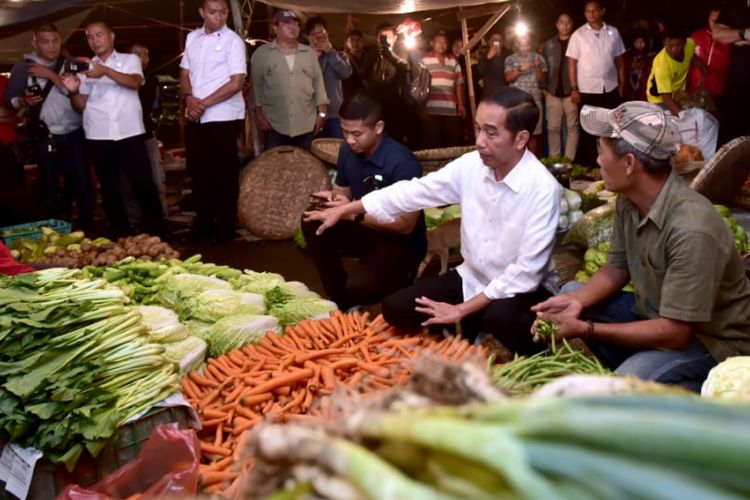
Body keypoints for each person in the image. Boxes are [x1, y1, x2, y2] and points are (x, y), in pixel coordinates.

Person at [305, 87, 561, 354]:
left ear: (521, 139)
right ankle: (469, 324)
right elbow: (415, 191)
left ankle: (494, 330)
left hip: (521, 291)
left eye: (491, 132)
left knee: (499, 316)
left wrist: (462, 308)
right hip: (471, 278)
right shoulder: (471, 165)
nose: (480, 141)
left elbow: (526, 273)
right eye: (478, 128)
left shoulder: (542, 189)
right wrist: (349, 208)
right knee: (396, 308)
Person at [532, 101, 750, 391]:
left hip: (711, 339)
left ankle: (687, 387)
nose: (597, 160)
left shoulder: (692, 229)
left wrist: (587, 329)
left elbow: (675, 334)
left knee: (622, 387)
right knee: (572, 292)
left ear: (630, 163)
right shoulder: (629, 199)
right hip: (658, 312)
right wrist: (576, 303)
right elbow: (616, 268)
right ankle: (646, 361)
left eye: (601, 150)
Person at [300, 90, 426, 311]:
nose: (350, 140)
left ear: (378, 128)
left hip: (399, 242)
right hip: (367, 229)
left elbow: (406, 226)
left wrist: (351, 214)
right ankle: (339, 299)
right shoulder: (347, 150)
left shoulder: (403, 162)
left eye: (357, 133)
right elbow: (343, 194)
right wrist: (333, 201)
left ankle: (402, 278)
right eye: (345, 132)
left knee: (361, 289)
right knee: (312, 219)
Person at [62, 21, 166, 238]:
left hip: (130, 132)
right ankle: (121, 234)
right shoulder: (84, 70)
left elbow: (134, 83)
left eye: (99, 35)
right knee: (109, 187)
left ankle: (158, 231)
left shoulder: (130, 60)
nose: (95, 40)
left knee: (143, 183)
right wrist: (72, 92)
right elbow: (81, 106)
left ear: (112, 36)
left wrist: (105, 71)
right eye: (90, 37)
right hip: (98, 134)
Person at [4, 23, 94, 230]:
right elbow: (9, 100)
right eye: (45, 41)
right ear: (34, 42)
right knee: (49, 185)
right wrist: (24, 101)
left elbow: (84, 95)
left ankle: (86, 230)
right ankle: (54, 232)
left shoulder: (72, 63)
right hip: (45, 135)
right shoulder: (23, 68)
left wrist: (53, 76)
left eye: (55, 40)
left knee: (82, 183)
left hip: (75, 133)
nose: (51, 46)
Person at [180, 0, 246, 241]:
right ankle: (203, 224)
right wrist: (189, 98)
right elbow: (185, 73)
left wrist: (202, 104)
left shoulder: (233, 41)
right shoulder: (192, 38)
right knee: (199, 173)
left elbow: (236, 83)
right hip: (196, 117)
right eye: (212, 12)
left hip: (223, 116)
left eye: (223, 12)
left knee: (224, 174)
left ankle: (226, 227)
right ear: (201, 12)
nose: (219, 17)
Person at [251, 10, 328, 151]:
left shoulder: (309, 53)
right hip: (274, 124)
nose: (293, 27)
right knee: (276, 167)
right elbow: (256, 87)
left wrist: (322, 114)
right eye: (287, 23)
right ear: (275, 28)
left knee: (306, 167)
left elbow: (319, 86)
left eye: (296, 24)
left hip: (306, 123)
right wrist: (259, 114)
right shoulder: (261, 54)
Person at [567, 0, 625, 168]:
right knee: (587, 129)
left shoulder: (613, 32)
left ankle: (611, 164)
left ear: (602, 11)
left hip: (610, 87)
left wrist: (621, 85)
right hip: (587, 89)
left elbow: (620, 60)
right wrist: (574, 88)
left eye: (594, 10)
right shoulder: (578, 35)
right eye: (588, 11)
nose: (591, 14)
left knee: (611, 128)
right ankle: (586, 166)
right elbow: (571, 63)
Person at [131, 43, 167, 216]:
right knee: (128, 181)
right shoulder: (119, 78)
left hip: (146, 133)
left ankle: (161, 216)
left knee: (156, 178)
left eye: (143, 55)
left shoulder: (151, 80)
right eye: (135, 55)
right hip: (127, 136)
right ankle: (135, 218)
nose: (140, 59)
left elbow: (151, 107)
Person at [305, 16, 352, 139]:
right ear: (308, 37)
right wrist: (312, 57)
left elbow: (346, 73)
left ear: (327, 34)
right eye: (314, 34)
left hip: (334, 114)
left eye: (321, 33)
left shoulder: (339, 55)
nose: (318, 37)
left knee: (338, 151)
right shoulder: (302, 58)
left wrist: (330, 52)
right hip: (311, 115)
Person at [365, 23, 412, 146]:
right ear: (377, 38)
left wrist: (390, 55)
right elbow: (363, 73)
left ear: (395, 38)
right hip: (376, 104)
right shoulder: (372, 53)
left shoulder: (401, 52)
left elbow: (404, 68)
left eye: (388, 37)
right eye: (382, 37)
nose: (385, 40)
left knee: (396, 139)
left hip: (395, 105)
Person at [710, 1, 750, 144]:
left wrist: (735, 36)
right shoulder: (735, 7)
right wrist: (744, 33)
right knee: (731, 145)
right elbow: (718, 33)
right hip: (738, 91)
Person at [420, 30, 466, 148]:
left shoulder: (453, 61)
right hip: (431, 110)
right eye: (438, 42)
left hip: (449, 109)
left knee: (452, 143)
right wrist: (422, 106)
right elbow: (421, 85)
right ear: (432, 43)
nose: (442, 45)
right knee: (433, 143)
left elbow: (458, 83)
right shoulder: (424, 60)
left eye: (444, 42)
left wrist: (461, 104)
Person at [542, 12, 579, 160]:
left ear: (572, 24)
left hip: (571, 92)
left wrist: (577, 89)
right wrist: (543, 89)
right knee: (553, 128)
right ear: (557, 24)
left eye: (568, 22)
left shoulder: (577, 42)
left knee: (572, 127)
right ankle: (554, 160)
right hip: (552, 92)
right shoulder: (549, 44)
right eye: (561, 22)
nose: (565, 25)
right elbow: (543, 66)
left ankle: (569, 161)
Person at [505, 34, 547, 157]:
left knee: (534, 135)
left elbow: (542, 79)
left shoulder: (539, 57)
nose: (525, 47)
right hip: (517, 103)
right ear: (517, 44)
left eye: (527, 44)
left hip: (535, 101)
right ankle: (517, 162)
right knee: (516, 134)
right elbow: (508, 78)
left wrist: (538, 66)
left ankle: (532, 163)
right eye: (522, 44)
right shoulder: (510, 59)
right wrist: (521, 69)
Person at [646, 27, 703, 117]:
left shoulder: (690, 43)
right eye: (669, 45)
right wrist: (683, 119)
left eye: (678, 45)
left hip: (678, 92)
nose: (673, 50)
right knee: (673, 124)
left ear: (684, 43)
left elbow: (690, 55)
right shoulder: (661, 64)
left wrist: (702, 66)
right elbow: (667, 99)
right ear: (664, 43)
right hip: (660, 99)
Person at [688, 5, 730, 101]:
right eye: (712, 20)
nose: (715, 25)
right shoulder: (696, 36)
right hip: (695, 90)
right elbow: (684, 56)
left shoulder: (731, 41)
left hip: (718, 93)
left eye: (718, 22)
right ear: (708, 18)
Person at [622, 30, 654, 101]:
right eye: (636, 42)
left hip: (645, 89)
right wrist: (630, 65)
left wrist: (644, 65)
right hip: (630, 89)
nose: (639, 45)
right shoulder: (627, 55)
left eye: (642, 42)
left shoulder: (651, 56)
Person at [478, 31, 509, 98]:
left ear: (503, 43)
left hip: (505, 92)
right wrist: (488, 57)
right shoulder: (484, 55)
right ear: (489, 42)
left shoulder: (507, 55)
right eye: (494, 40)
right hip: (489, 93)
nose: (496, 43)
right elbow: (480, 71)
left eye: (499, 41)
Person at [342, 29, 372, 98]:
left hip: (368, 95)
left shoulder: (370, 57)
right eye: (352, 40)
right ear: (347, 43)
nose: (355, 43)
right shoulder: (344, 60)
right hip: (351, 96)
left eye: (358, 40)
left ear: (363, 42)